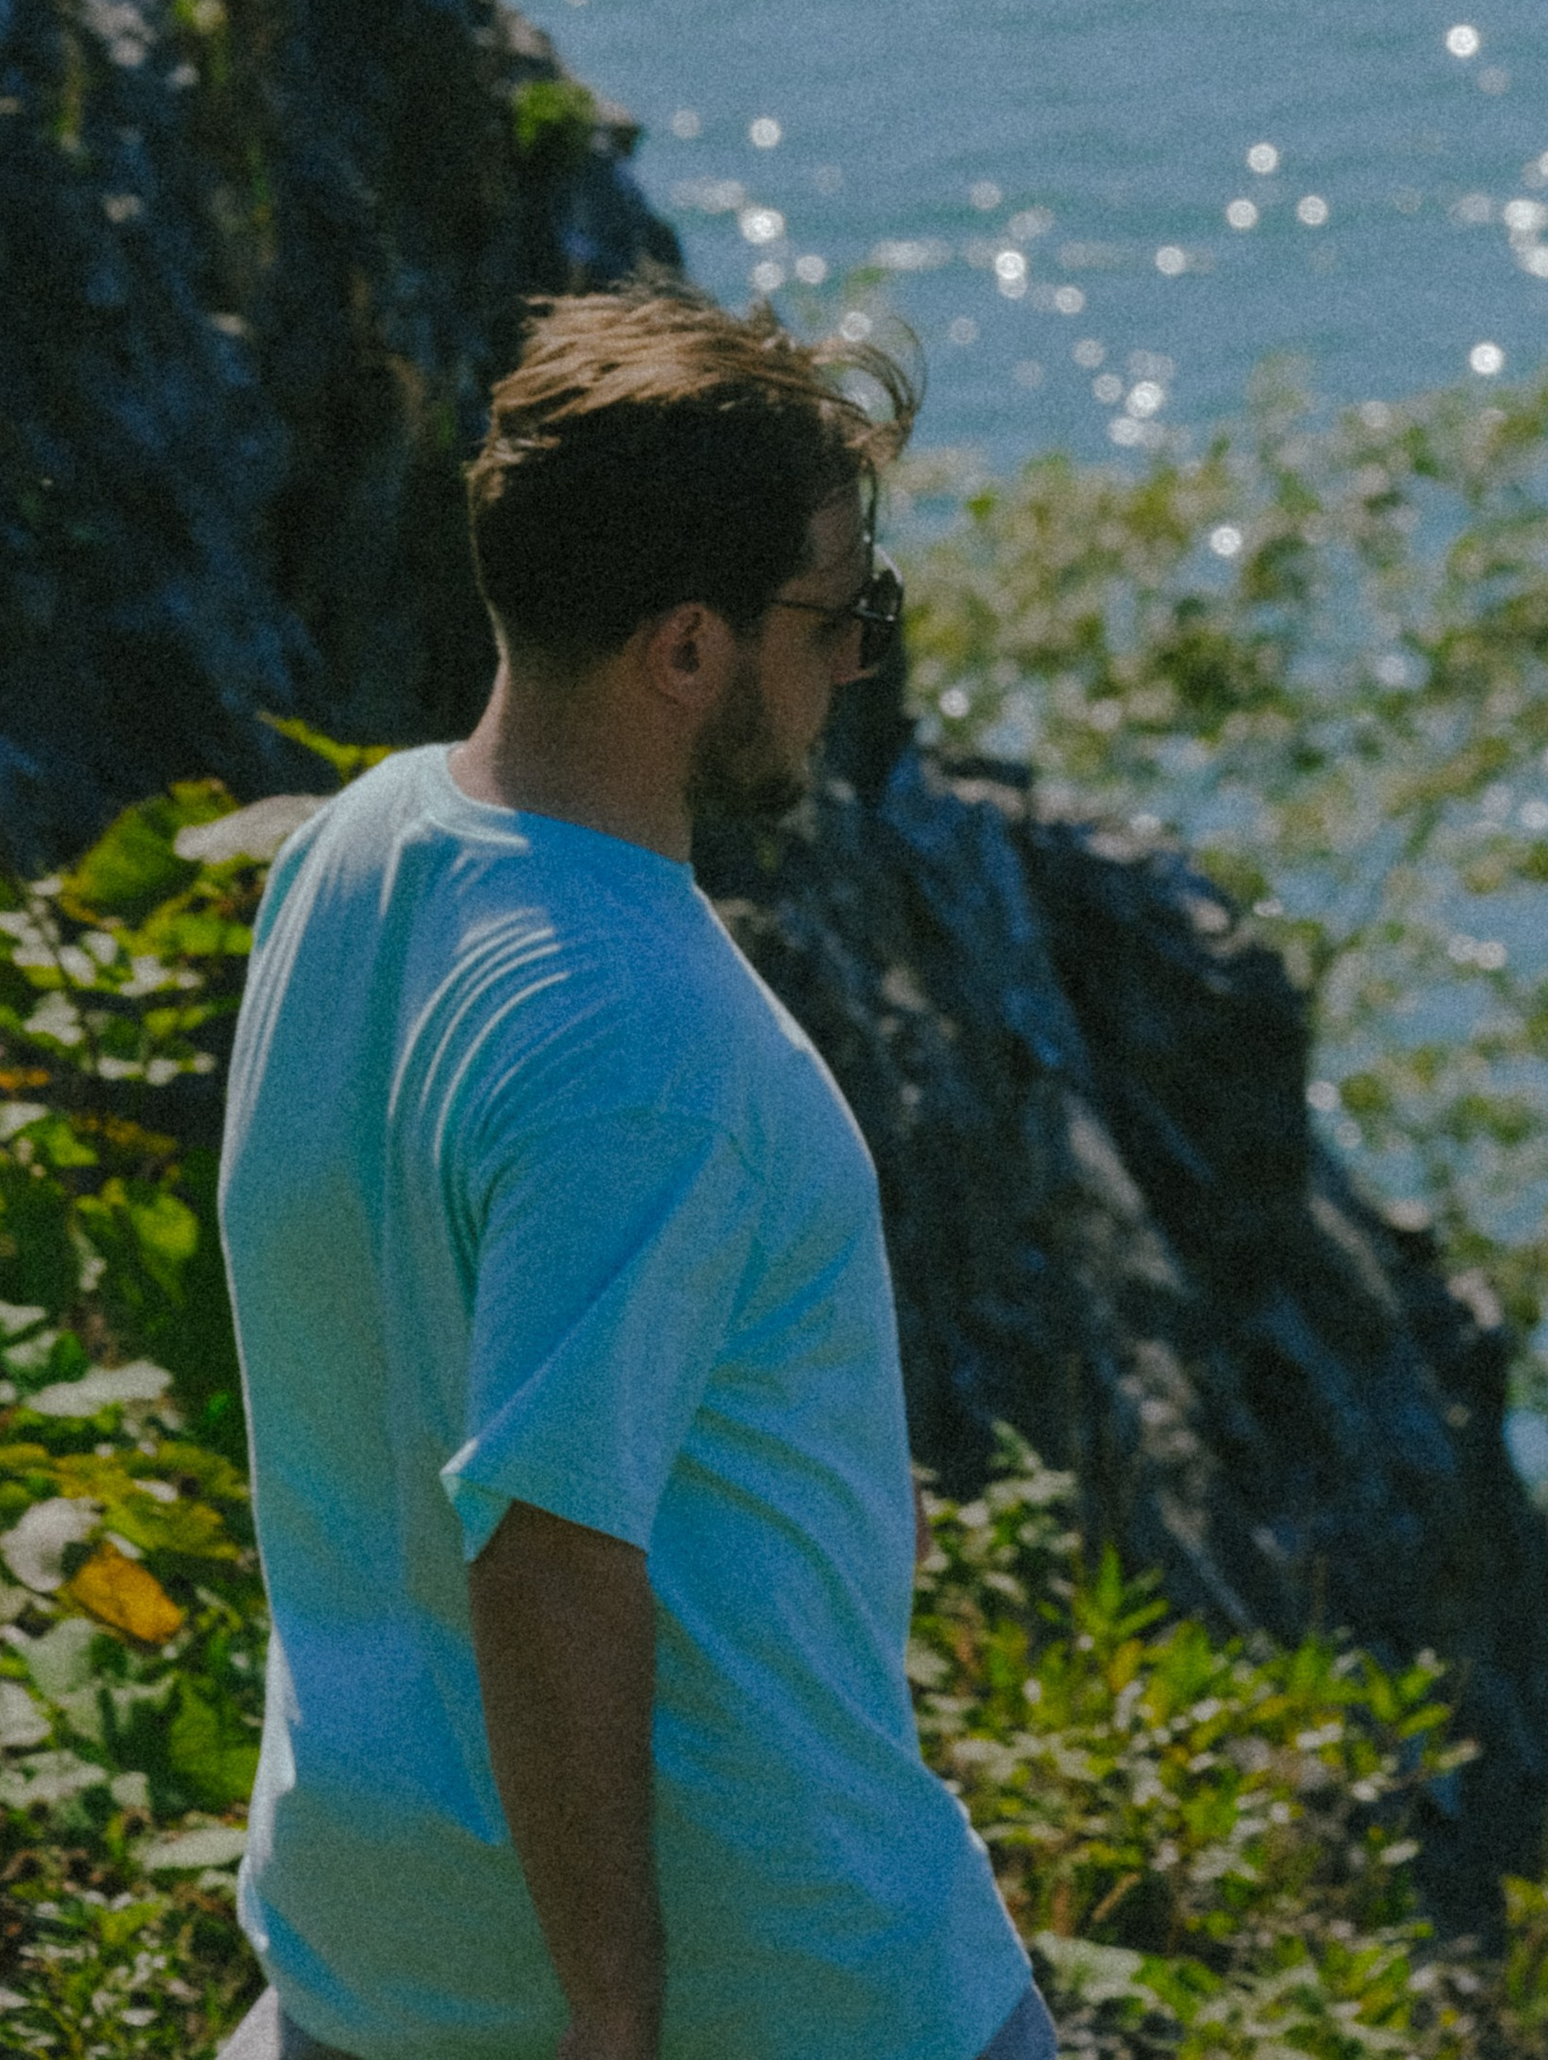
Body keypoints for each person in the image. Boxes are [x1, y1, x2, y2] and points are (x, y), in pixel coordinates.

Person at [216, 286, 1053, 2060]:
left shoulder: (354, 857)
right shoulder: (646, 1049)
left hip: (374, 1961)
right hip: (776, 1992)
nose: (854, 663)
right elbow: (544, 1549)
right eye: (840, 613)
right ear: (687, 650)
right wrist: (616, 2017)